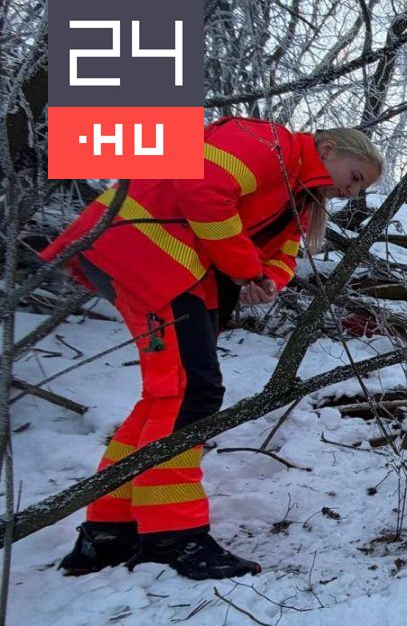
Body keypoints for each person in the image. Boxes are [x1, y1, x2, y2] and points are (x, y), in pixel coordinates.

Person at [42, 118, 383, 580]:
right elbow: (201, 190)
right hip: (149, 257)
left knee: (168, 397)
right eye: (355, 176)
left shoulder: (299, 197)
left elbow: (281, 255)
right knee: (190, 394)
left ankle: (109, 529)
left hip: (175, 272)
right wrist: (244, 269)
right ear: (326, 147)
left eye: (361, 188)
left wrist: (265, 281)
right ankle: (172, 537)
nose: (352, 192)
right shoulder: (265, 143)